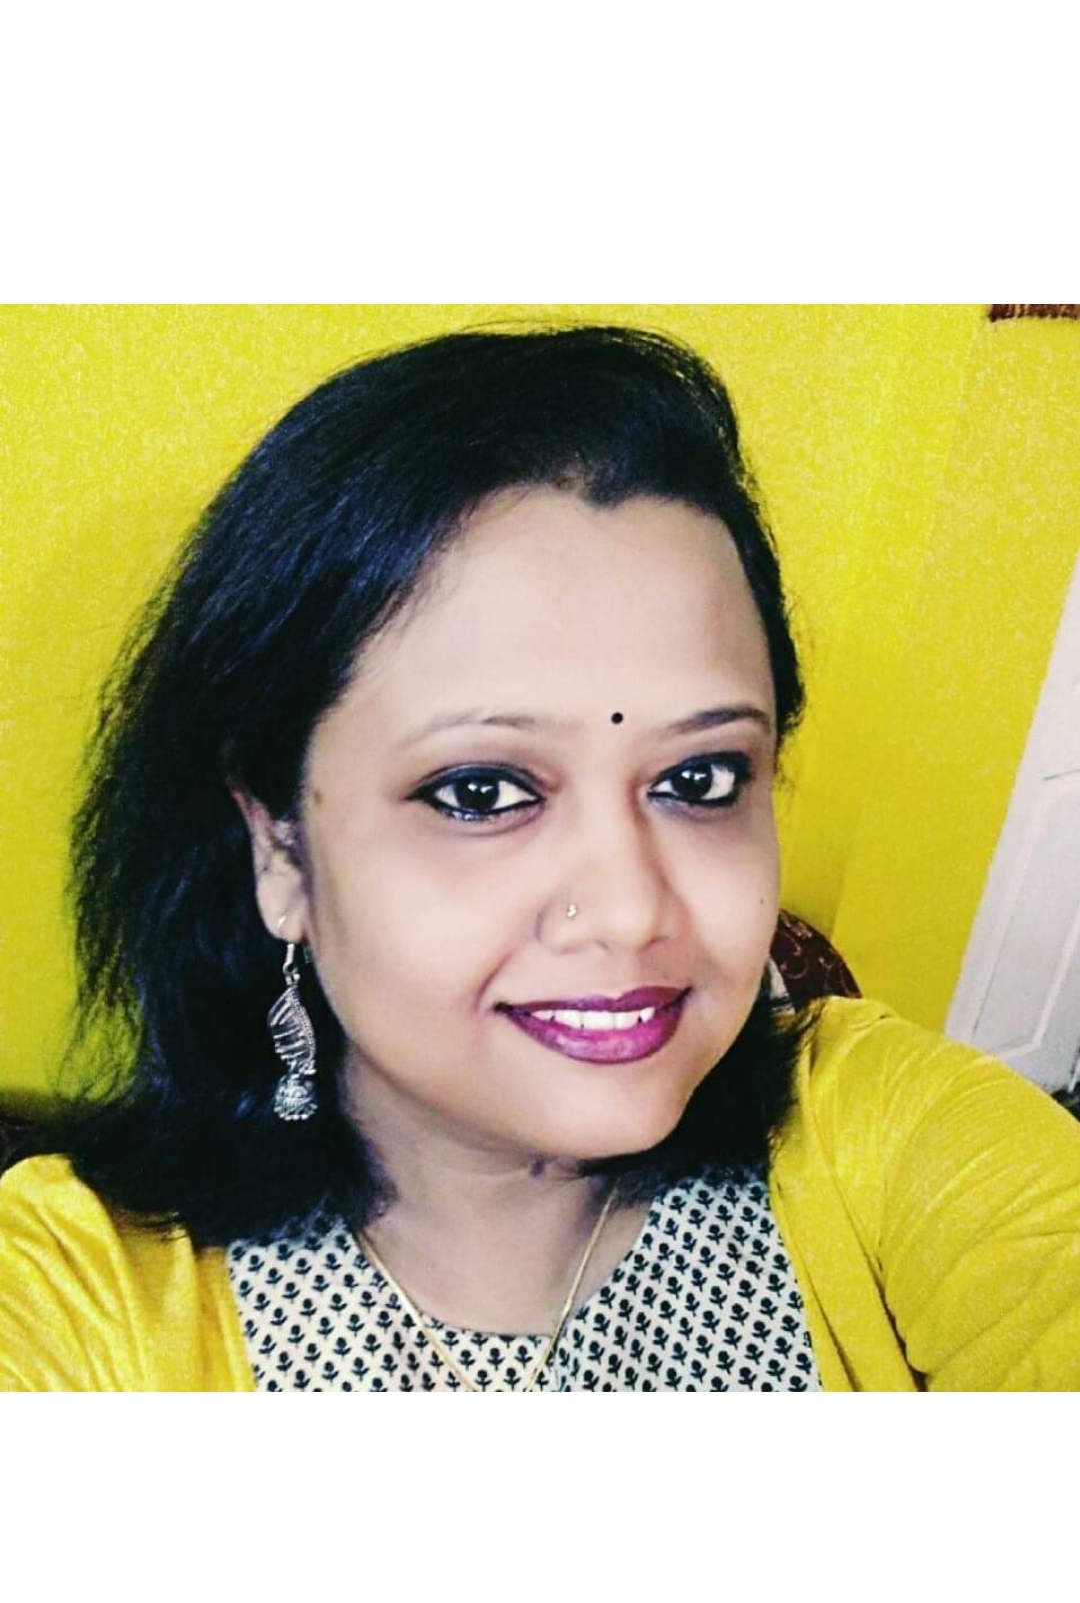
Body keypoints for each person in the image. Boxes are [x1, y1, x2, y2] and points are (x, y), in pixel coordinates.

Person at [1, 324, 1078, 1392]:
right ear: (278, 846)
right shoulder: (78, 1294)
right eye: (481, 792)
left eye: (700, 778)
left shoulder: (883, 1134)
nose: (629, 910)